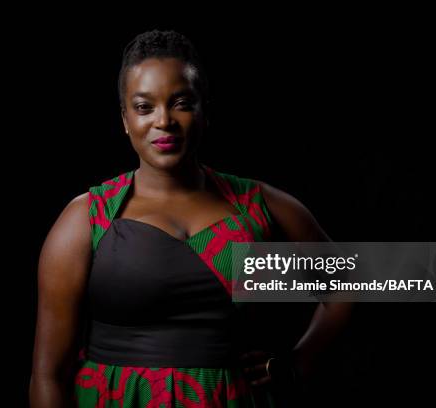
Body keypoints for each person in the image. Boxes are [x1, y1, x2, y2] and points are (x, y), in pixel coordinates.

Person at [30, 30, 352, 407]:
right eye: (144, 107)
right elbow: (48, 375)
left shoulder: (259, 205)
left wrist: (297, 364)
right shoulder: (89, 217)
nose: (164, 121)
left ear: (204, 110)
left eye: (181, 102)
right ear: (124, 119)